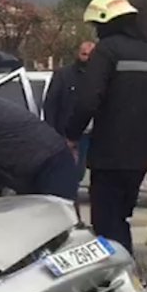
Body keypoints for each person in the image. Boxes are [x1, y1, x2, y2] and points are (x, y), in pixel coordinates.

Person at [65, 0, 147, 255]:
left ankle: (120, 280)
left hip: (108, 157)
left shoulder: (107, 51)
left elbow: (88, 100)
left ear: (107, 23)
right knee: (121, 219)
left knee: (106, 224)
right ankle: (125, 273)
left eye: (98, 26)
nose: (96, 33)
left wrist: (71, 135)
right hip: (140, 158)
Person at [43, 40, 96, 185]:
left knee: (83, 172)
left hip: (92, 133)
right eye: (84, 54)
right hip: (67, 133)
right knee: (71, 171)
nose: (87, 58)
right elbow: (50, 104)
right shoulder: (64, 75)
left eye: (91, 55)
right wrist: (53, 132)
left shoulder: (100, 77)